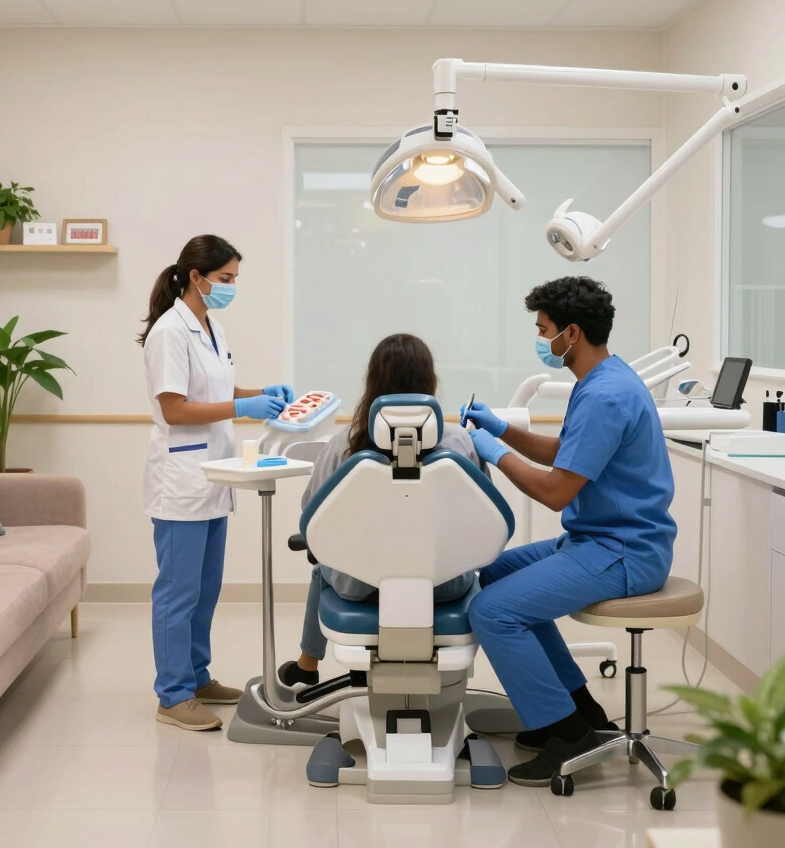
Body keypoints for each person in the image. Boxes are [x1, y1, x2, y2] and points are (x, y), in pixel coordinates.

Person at [462, 276, 676, 787]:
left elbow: (557, 490)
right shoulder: (604, 378)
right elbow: (567, 452)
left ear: (572, 333)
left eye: (544, 330)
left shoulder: (606, 396)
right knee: (489, 575)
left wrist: (499, 455)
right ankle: (581, 713)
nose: (541, 339)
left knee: (490, 611)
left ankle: (566, 735)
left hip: (623, 551)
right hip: (598, 538)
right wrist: (502, 429)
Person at [140, 234, 294, 732]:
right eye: (224, 280)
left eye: (234, 280)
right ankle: (173, 694)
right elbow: (174, 407)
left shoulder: (211, 327)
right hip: (181, 480)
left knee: (205, 589)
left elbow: (222, 389)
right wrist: (241, 407)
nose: (230, 288)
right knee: (177, 592)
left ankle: (198, 677)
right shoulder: (170, 331)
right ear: (196, 276)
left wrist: (261, 394)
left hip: (214, 477)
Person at [278, 333, 480, 689]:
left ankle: (307, 663)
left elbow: (312, 514)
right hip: (444, 585)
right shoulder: (457, 441)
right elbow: (480, 517)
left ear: (373, 382)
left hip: (360, 585)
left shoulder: (346, 442)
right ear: (429, 382)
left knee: (322, 569)